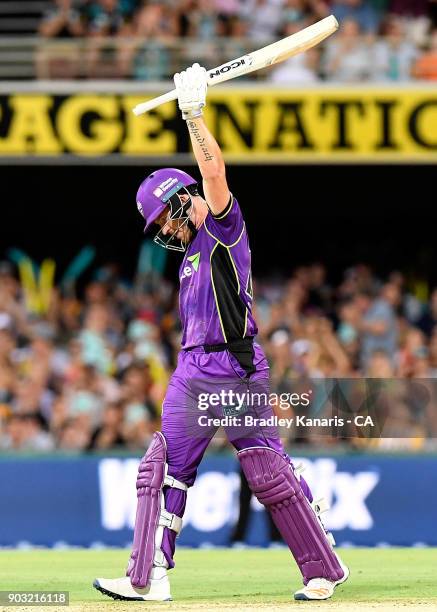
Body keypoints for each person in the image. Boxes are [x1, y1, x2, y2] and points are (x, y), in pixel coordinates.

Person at [93, 63, 349, 602]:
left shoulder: (223, 229)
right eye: (157, 225)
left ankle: (321, 568)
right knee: (162, 468)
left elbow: (215, 177)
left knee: (266, 473)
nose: (164, 228)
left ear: (182, 197)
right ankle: (148, 575)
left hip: (235, 368)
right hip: (193, 371)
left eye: (164, 216)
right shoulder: (188, 256)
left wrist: (193, 114)